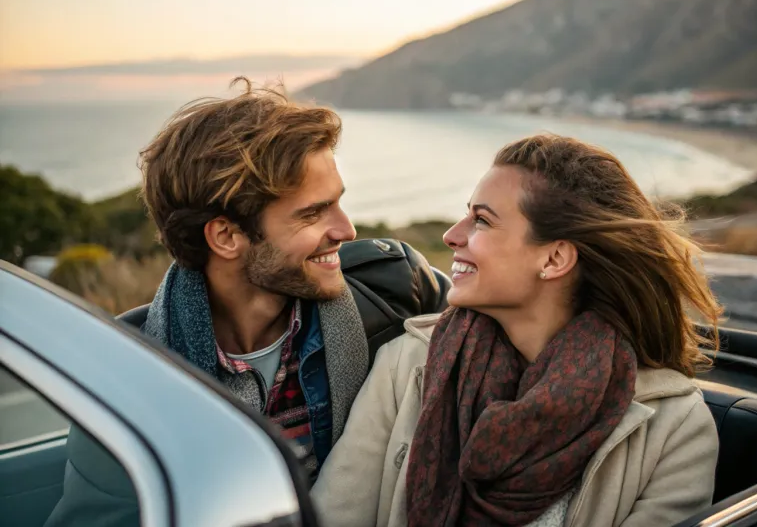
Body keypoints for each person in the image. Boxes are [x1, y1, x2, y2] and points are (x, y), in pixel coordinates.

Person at [45, 78, 448, 527]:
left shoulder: (398, 290)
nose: (347, 229)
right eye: (313, 213)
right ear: (226, 236)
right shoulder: (128, 374)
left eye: (338, 203)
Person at [311, 133, 722, 527]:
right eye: (464, 213)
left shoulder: (675, 428)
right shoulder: (405, 365)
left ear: (555, 258)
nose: (452, 236)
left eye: (482, 221)